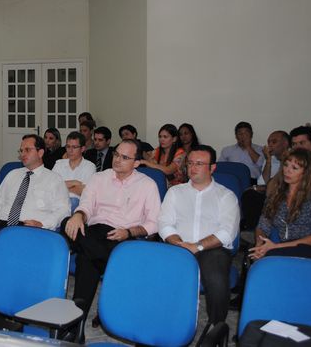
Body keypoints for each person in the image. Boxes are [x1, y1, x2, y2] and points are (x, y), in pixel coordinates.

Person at [61, 139, 160, 317]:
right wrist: (79, 215)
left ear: (136, 163)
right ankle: (115, 269)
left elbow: (154, 223)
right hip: (93, 231)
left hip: (122, 236)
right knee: (66, 223)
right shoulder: (99, 178)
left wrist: (129, 232)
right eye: (116, 154)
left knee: (86, 259)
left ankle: (76, 320)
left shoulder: (147, 185)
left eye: (125, 157)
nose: (117, 160)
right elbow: (86, 205)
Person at [158, 145, 240, 324]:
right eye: (190, 163)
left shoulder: (226, 196)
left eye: (199, 164)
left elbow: (227, 232)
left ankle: (216, 327)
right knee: (155, 273)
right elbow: (164, 223)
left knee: (216, 279)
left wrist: (197, 246)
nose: (193, 168)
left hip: (212, 249)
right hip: (178, 246)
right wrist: (180, 244)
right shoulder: (175, 192)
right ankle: (162, 322)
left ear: (212, 168)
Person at [0, 134, 70, 247]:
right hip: (3, 225)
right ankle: (13, 242)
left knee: (30, 234)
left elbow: (63, 210)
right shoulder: (12, 174)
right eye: (21, 150)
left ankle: (4, 242)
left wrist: (42, 224)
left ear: (40, 153)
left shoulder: (54, 179)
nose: (22, 154)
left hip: (30, 227)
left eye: (27, 150)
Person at [250, 148, 311, 262]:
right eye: (286, 165)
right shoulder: (277, 192)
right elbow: (263, 224)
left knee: (271, 256)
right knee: (260, 257)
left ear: (306, 172)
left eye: (294, 168)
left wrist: (276, 247)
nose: (287, 171)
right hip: (285, 246)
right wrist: (260, 244)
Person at [240, 130, 290, 230]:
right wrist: (268, 160)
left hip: (284, 192)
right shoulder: (271, 158)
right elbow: (262, 182)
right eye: (269, 142)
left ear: (285, 143)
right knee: (249, 195)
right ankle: (252, 230)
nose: (270, 145)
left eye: (274, 142)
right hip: (269, 191)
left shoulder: (293, 158)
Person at [52, 131, 96, 198]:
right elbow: (51, 186)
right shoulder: (59, 164)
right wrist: (74, 182)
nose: (70, 150)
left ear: (82, 149)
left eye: (74, 147)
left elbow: (86, 192)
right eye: (68, 146)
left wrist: (61, 186)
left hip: (79, 203)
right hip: (59, 202)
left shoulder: (90, 166)